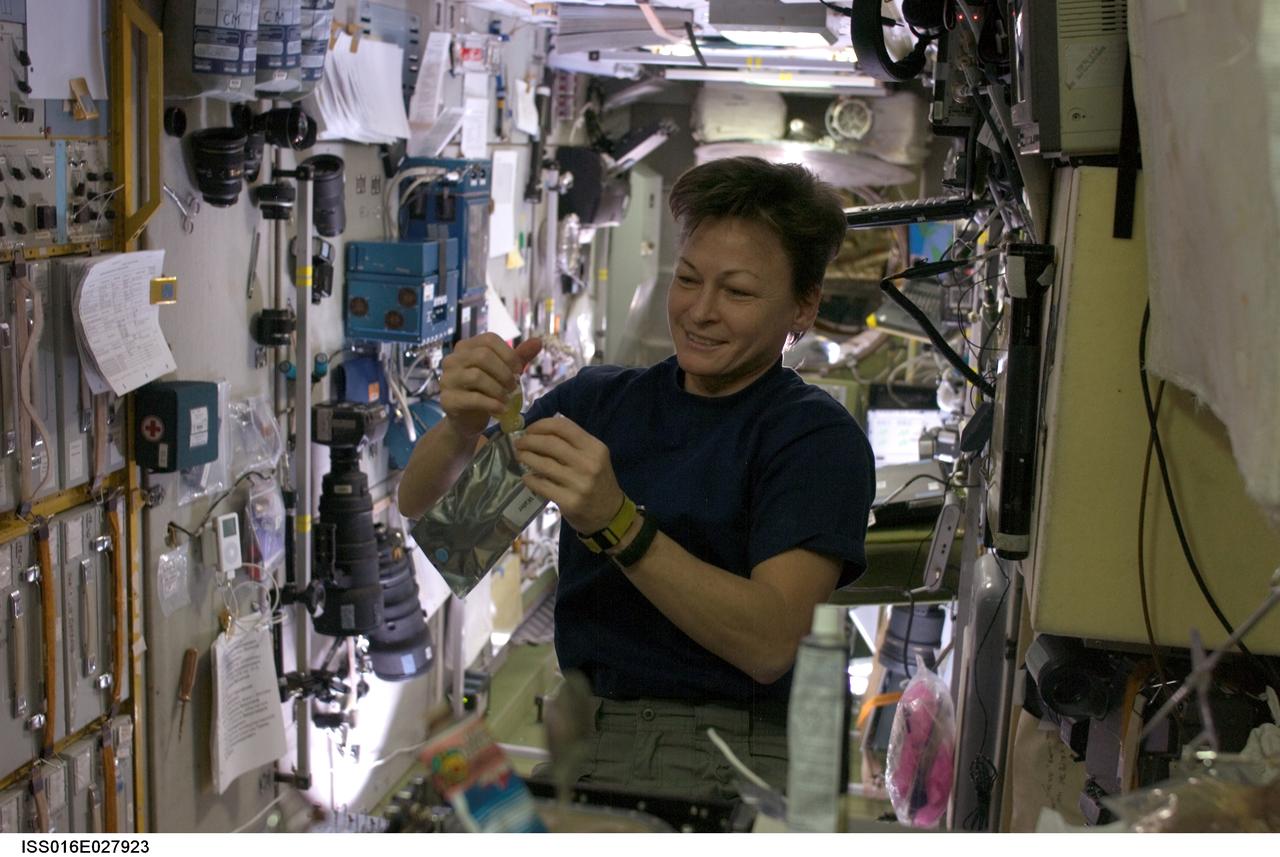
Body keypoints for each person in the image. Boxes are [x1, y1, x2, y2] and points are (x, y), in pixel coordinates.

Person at [398, 156, 874, 801]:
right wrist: (458, 427)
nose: (701, 311)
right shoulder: (600, 402)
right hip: (590, 739)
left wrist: (617, 523)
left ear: (802, 306)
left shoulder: (812, 439)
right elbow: (449, 532)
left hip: (729, 756)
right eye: (688, 279)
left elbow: (768, 643)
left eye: (737, 292)